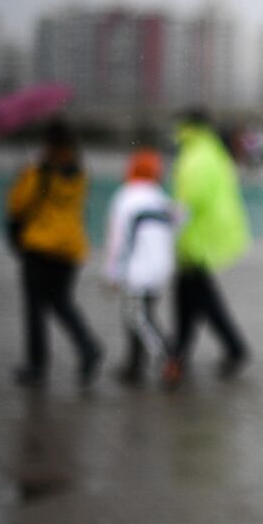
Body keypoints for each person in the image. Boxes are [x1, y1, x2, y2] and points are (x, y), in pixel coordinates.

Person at [5, 119, 103, 387]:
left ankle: (37, 365)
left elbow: (18, 204)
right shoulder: (80, 172)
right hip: (70, 247)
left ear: (48, 143)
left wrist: (22, 177)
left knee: (35, 307)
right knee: (61, 301)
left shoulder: (41, 172)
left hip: (40, 246)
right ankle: (87, 345)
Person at [163, 109, 252, 387]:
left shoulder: (195, 156)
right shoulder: (212, 152)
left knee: (197, 299)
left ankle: (227, 349)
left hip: (195, 240)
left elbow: (189, 199)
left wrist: (170, 219)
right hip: (206, 237)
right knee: (190, 300)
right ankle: (181, 356)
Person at [102, 148, 176, 384]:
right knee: (142, 314)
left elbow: (117, 241)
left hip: (136, 270)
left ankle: (169, 359)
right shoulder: (159, 197)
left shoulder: (125, 197)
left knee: (138, 318)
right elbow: (177, 223)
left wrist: (111, 274)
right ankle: (134, 366)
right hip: (160, 268)